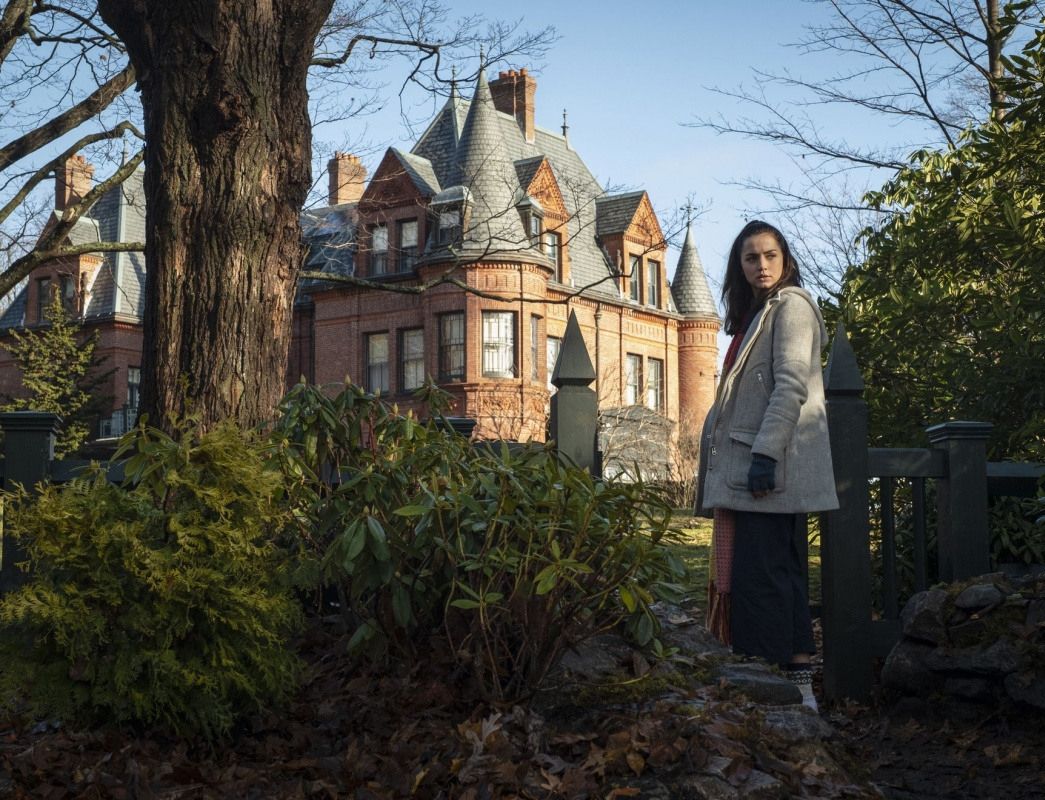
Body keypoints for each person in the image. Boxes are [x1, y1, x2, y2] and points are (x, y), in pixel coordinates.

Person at [694, 220, 839, 711]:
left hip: (764, 472)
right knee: (779, 577)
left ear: (786, 260)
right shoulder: (755, 317)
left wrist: (764, 455)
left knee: (761, 584)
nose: (762, 265)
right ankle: (800, 691)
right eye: (751, 257)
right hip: (755, 473)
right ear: (739, 265)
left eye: (770, 255)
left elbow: (791, 384)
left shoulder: (791, 307)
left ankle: (767, 695)